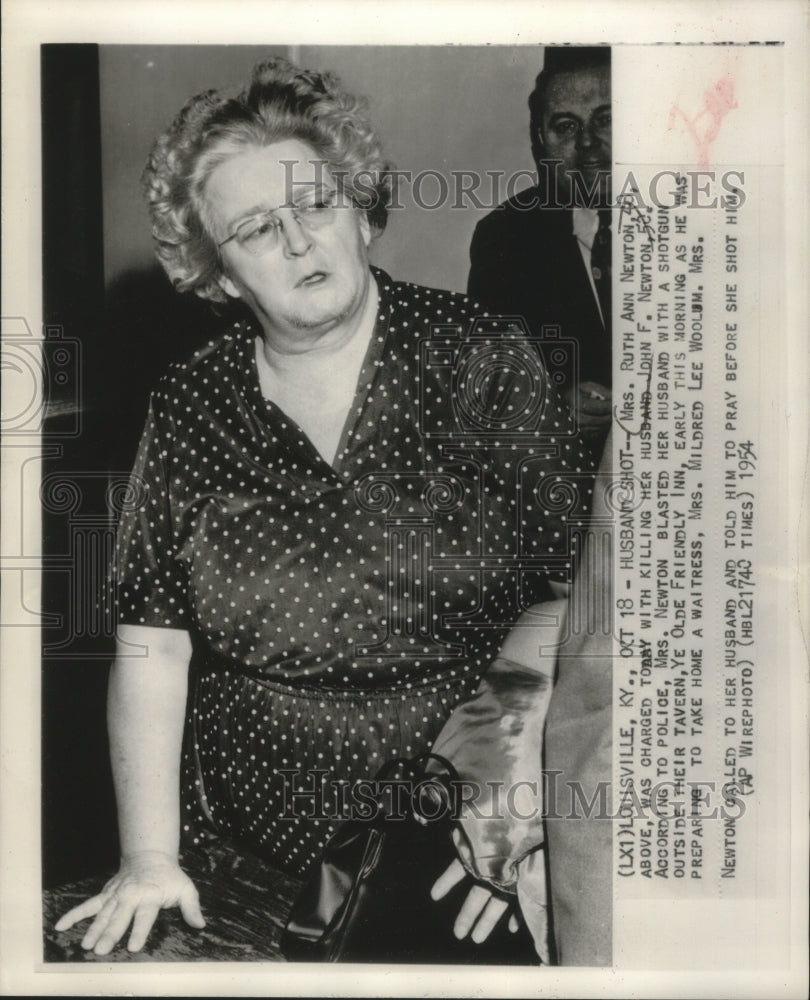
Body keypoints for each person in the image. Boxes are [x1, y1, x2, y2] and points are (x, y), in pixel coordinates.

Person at [54, 57, 595, 958]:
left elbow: (577, 588)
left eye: (315, 204)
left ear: (359, 207)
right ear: (219, 274)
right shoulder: (191, 401)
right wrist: (147, 858)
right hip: (239, 841)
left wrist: (501, 772)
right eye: (258, 230)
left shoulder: (479, 355)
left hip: (460, 832)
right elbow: (152, 643)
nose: (300, 243)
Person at [467, 46, 613, 446]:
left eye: (606, 119)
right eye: (566, 126)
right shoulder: (505, 238)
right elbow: (489, 391)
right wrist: (553, 408)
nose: (587, 143)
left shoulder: (697, 218)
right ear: (539, 140)